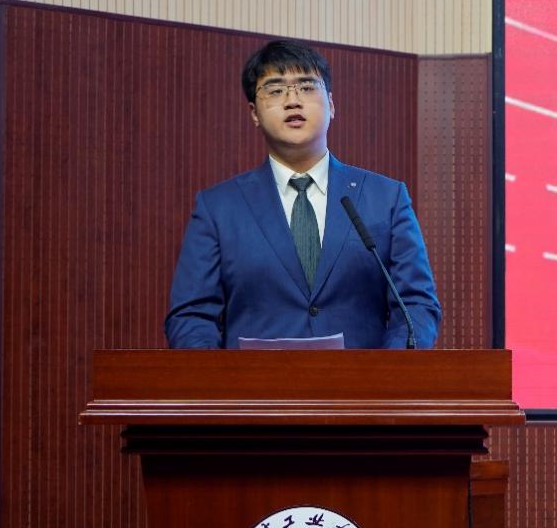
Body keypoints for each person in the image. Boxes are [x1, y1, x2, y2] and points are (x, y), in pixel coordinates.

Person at [165, 40, 441, 349]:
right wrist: (220, 377)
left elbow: (416, 305)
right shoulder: (218, 208)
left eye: (307, 87)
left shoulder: (386, 199)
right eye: (275, 90)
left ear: (331, 104)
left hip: (361, 381)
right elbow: (191, 317)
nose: (292, 101)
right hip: (254, 382)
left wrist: (387, 372)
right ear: (254, 113)